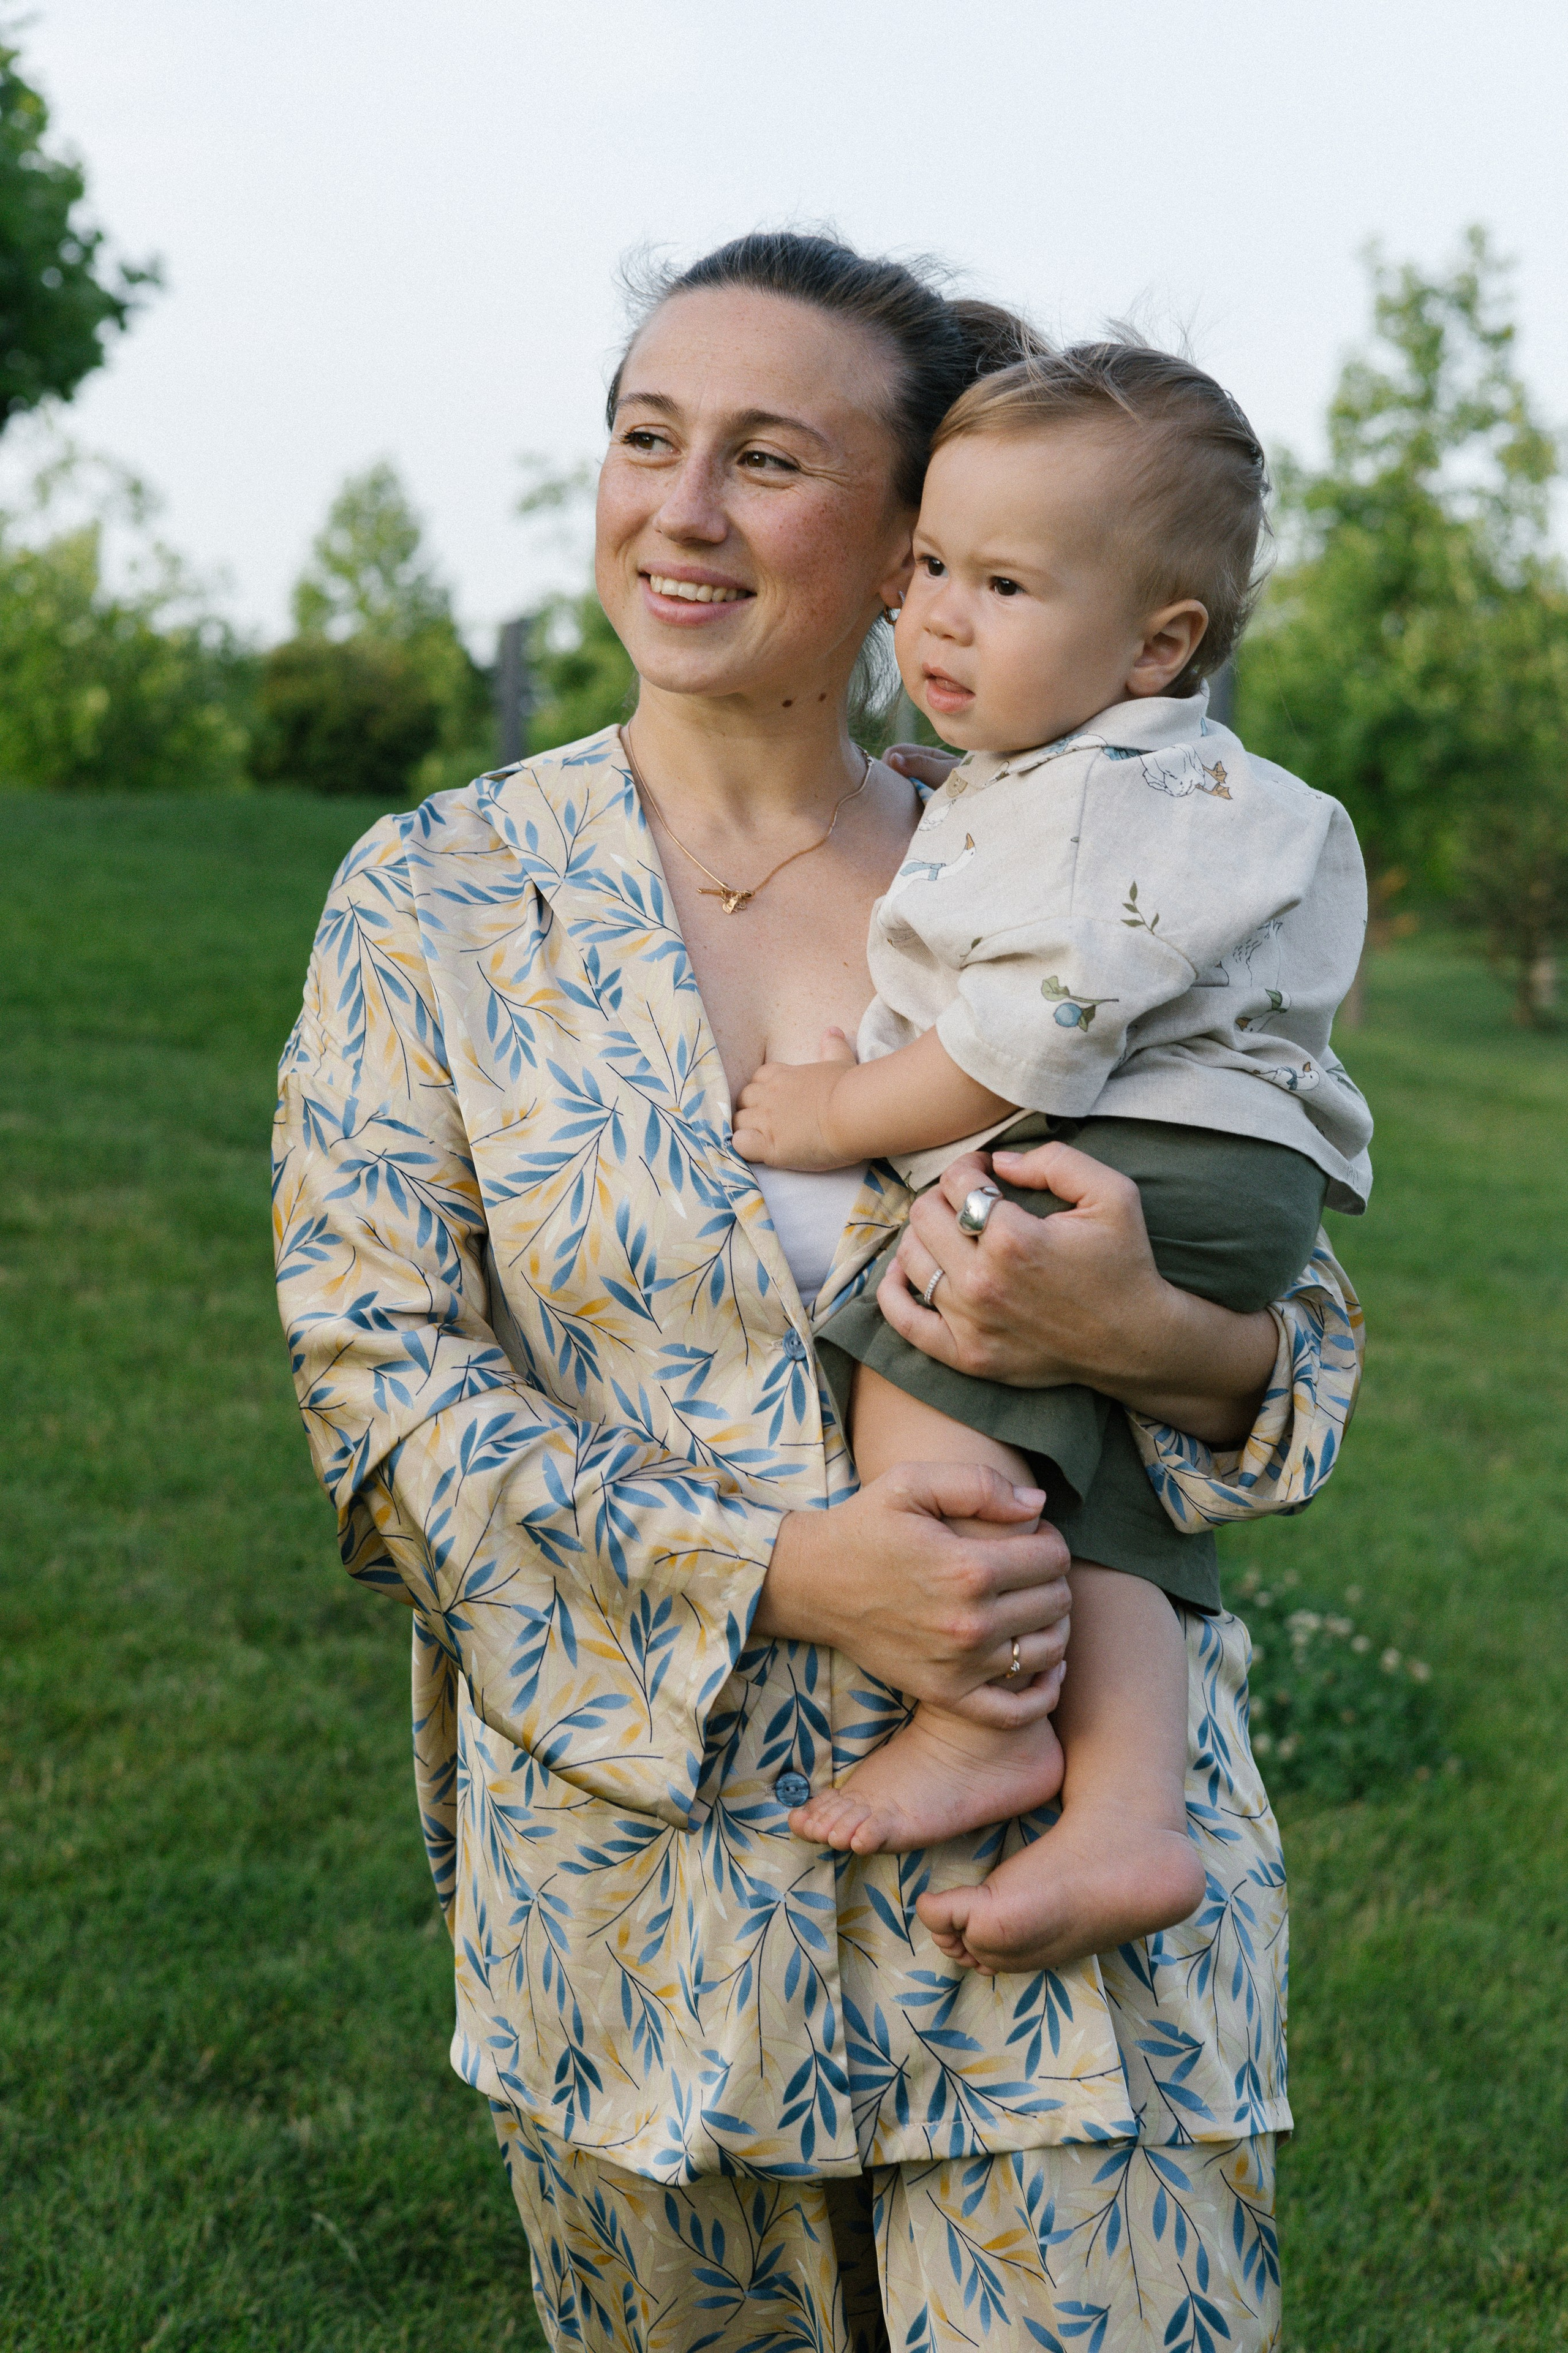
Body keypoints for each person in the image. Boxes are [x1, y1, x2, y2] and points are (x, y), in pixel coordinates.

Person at [273, 232, 1363, 2353]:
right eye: (646, 437)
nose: (680, 509)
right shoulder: (437, 900)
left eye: (768, 459)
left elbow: (1294, 1336)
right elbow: (379, 1392)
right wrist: (796, 1571)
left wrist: (1151, 1337)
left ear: (902, 546)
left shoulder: (1068, 872)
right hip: (651, 1914)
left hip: (1078, 1924)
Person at [731, 341, 1371, 1977]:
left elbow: (1024, 1044)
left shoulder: (1085, 811)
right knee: (1111, 1496)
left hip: (1139, 1152)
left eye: (1004, 585)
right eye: (933, 566)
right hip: (1233, 1171)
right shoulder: (1125, 782)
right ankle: (1132, 1815)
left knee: (924, 1338)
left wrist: (831, 1113)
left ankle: (984, 1716)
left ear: (1159, 644)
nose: (939, 618)